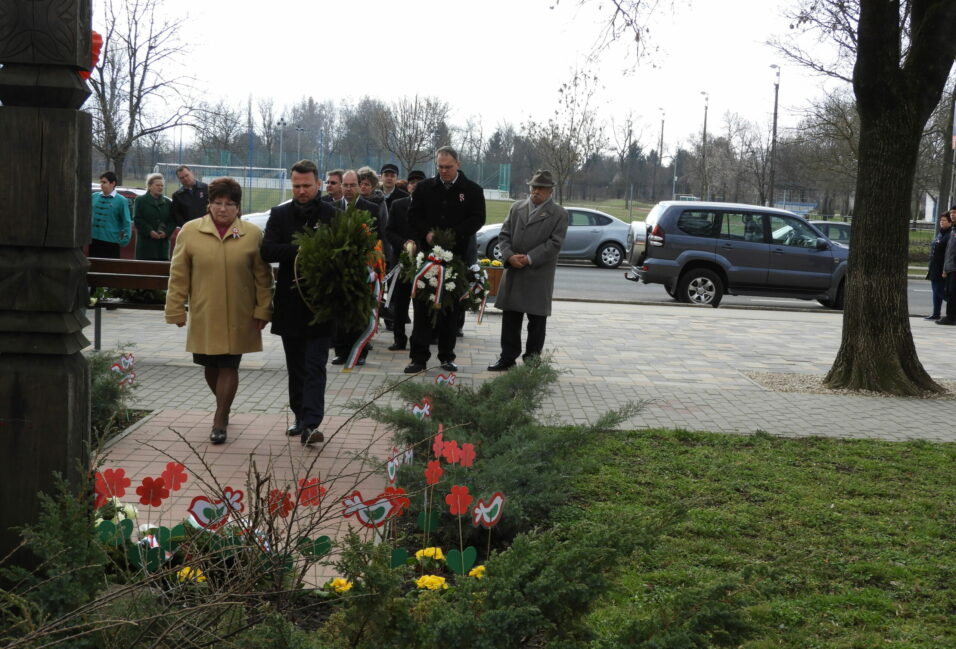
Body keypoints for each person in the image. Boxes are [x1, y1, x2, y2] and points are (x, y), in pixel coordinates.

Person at [165, 177, 273, 444]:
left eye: (229, 204)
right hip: (205, 312)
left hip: (240, 313)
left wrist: (263, 309)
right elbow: (178, 274)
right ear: (209, 205)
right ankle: (223, 404)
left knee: (229, 365)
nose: (223, 209)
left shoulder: (252, 234)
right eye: (217, 203)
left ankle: (220, 418)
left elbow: (263, 277)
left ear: (238, 207)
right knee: (210, 365)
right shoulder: (190, 232)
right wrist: (175, 309)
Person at [261, 160, 338, 445]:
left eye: (307, 185)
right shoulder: (280, 214)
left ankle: (310, 423)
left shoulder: (332, 214)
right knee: (295, 367)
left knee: (315, 365)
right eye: (296, 186)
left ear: (318, 184)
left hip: (321, 304)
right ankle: (299, 417)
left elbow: (340, 252)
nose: (302, 190)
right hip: (290, 303)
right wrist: (303, 249)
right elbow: (267, 249)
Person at [404, 146, 486, 374]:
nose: (444, 171)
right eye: (440, 167)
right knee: (421, 310)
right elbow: (413, 216)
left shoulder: (472, 190)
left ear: (458, 164)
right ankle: (418, 358)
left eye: (448, 167)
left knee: (450, 312)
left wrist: (454, 234)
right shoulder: (423, 188)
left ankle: (447, 356)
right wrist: (426, 233)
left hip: (455, 259)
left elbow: (478, 218)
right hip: (427, 259)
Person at [487, 170, 569, 371]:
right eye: (534, 187)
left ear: (550, 191)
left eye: (541, 188)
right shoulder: (517, 208)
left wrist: (530, 258)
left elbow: (555, 244)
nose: (536, 191)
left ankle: (532, 362)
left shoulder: (559, 214)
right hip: (514, 271)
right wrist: (509, 256)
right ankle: (507, 358)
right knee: (511, 320)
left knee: (537, 322)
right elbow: (504, 235)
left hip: (538, 275)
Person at [330, 170, 382, 365]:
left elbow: (377, 238)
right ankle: (341, 351)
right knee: (340, 309)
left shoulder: (371, 209)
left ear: (360, 186)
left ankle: (360, 351)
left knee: (360, 309)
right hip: (339, 266)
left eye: (353, 185)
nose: (349, 189)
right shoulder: (331, 207)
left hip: (363, 267)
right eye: (345, 185)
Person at [384, 169, 426, 350]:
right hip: (400, 261)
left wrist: (417, 244)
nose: (415, 185)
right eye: (412, 182)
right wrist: (403, 244)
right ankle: (399, 338)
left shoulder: (430, 207)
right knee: (400, 304)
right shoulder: (398, 204)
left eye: (419, 182)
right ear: (407, 185)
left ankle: (420, 340)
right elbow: (389, 230)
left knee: (421, 304)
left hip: (423, 262)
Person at [132, 173, 175, 261]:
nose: (160, 187)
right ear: (150, 186)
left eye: (162, 185)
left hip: (162, 248)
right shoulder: (140, 200)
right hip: (145, 247)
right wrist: (149, 231)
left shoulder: (168, 203)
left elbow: (172, 221)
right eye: (157, 185)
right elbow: (137, 219)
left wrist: (166, 233)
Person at [90, 171, 131, 258]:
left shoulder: (121, 200)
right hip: (94, 239)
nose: (101, 184)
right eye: (101, 182)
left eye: (104, 182)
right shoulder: (94, 196)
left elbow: (126, 221)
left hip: (111, 241)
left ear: (113, 183)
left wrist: (125, 239)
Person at [925, 211, 951, 320]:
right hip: (934, 267)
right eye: (941, 220)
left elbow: (948, 253)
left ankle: (953, 307)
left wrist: (945, 269)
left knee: (939, 290)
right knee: (935, 292)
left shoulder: (950, 235)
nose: (941, 222)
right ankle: (936, 313)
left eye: (944, 220)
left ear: (950, 222)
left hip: (942, 267)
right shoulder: (941, 233)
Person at [937, 206, 956, 325]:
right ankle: (951, 316)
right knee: (950, 292)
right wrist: (945, 268)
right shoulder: (953, 230)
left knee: (953, 293)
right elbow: (949, 251)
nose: (952, 215)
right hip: (950, 267)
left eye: (955, 212)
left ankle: (951, 317)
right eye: (951, 213)